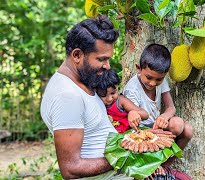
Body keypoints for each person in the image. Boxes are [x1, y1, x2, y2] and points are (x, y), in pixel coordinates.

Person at [40, 16, 132, 179]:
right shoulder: (67, 96)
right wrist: (124, 155)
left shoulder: (84, 80)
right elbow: (71, 169)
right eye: (102, 59)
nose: (107, 66)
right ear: (77, 55)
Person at [123, 43, 193, 167]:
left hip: (157, 127)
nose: (153, 83)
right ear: (138, 68)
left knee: (186, 129)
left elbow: (171, 107)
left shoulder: (161, 80)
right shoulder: (132, 90)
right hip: (142, 131)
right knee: (176, 125)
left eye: (158, 79)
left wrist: (164, 116)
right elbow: (134, 121)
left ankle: (165, 165)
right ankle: (152, 165)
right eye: (149, 77)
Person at [96, 69, 149, 133]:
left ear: (117, 87)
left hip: (127, 135)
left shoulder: (120, 101)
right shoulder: (96, 103)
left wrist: (133, 112)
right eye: (104, 95)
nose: (109, 98)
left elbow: (145, 114)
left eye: (113, 93)